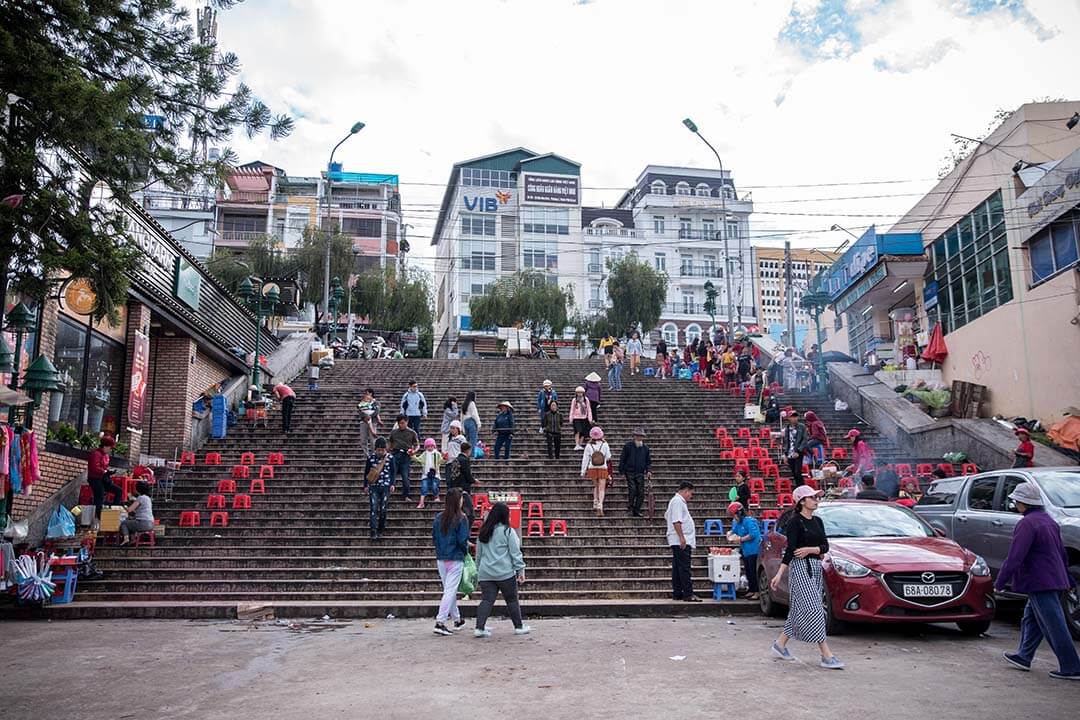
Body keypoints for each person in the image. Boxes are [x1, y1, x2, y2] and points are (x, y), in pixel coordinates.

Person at [997, 482, 1080, 680]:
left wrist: (1000, 582)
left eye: (1017, 501)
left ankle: (1071, 667)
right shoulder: (1048, 521)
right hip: (1051, 579)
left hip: (1039, 581)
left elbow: (1015, 557)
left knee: (1054, 625)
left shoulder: (1027, 524)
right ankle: (1024, 656)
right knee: (1031, 618)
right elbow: (1061, 554)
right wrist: (1067, 579)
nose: (1016, 504)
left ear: (1023, 503)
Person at [770, 485, 844, 669]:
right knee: (815, 609)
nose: (816, 500)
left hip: (815, 567)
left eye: (816, 497)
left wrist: (811, 550)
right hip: (800, 568)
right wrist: (779, 574)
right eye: (812, 497)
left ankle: (780, 645)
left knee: (799, 609)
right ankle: (826, 654)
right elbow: (790, 551)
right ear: (802, 501)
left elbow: (825, 546)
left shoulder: (817, 521)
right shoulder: (795, 522)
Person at [474, 502, 530, 637]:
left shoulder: (484, 532)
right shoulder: (508, 531)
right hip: (505, 573)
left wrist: (477, 571)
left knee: (487, 600)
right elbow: (515, 553)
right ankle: (518, 626)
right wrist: (520, 570)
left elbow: (478, 555)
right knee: (511, 600)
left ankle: (479, 628)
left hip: (486, 572)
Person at [432, 488, 470, 636]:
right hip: (455, 558)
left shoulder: (439, 517)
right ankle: (440, 621)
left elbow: (434, 537)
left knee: (449, 589)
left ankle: (457, 618)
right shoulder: (462, 518)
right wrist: (466, 550)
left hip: (442, 557)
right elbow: (462, 540)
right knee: (450, 590)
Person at [666, 481, 700, 602]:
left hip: (679, 539)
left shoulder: (678, 502)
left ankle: (678, 592)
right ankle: (687, 593)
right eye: (691, 493)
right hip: (681, 540)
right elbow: (677, 521)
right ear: (686, 491)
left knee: (678, 567)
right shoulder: (677, 502)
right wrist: (682, 537)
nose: (691, 496)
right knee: (684, 567)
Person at [727, 501, 762, 600]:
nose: (734, 518)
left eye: (735, 515)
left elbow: (753, 534)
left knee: (753, 572)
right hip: (746, 551)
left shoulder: (749, 521)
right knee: (748, 572)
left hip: (754, 550)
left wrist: (741, 539)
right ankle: (751, 589)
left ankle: (756, 592)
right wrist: (729, 534)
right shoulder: (739, 523)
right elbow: (734, 531)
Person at [363, 438, 396, 540]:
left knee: (383, 509)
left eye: (382, 450)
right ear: (375, 449)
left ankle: (381, 528)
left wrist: (392, 484)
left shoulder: (390, 458)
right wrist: (365, 485)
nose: (381, 452)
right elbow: (366, 472)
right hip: (374, 486)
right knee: (373, 508)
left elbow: (393, 472)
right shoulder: (371, 458)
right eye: (378, 450)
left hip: (385, 485)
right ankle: (373, 531)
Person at [87, 435, 124, 520]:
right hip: (95, 478)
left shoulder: (106, 456)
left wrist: (108, 471)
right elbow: (94, 468)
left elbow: (105, 467)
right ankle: (100, 517)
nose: (111, 450)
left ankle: (114, 510)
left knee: (118, 490)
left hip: (104, 478)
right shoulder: (96, 454)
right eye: (110, 448)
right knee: (99, 494)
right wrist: (104, 471)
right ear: (105, 446)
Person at [619, 428, 652, 517]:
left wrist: (648, 470)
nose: (639, 438)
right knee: (632, 490)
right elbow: (622, 459)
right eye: (637, 436)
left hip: (640, 473)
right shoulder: (628, 446)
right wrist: (621, 472)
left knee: (641, 492)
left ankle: (637, 509)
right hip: (629, 472)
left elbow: (648, 461)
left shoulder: (645, 448)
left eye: (641, 436)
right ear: (634, 436)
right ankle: (630, 508)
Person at [580, 426, 612, 517]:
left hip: (592, 468)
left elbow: (585, 459)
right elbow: (609, 456)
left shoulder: (589, 445)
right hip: (602, 468)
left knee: (596, 485)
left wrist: (583, 471)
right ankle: (600, 505)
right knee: (602, 488)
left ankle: (595, 501)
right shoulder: (605, 444)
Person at [388, 415, 420, 502]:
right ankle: (388, 493)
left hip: (406, 455)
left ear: (407, 422)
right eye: (400, 423)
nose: (401, 425)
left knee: (405, 476)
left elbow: (417, 445)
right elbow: (390, 443)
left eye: (403, 423)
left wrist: (414, 451)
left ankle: (406, 495)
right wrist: (388, 452)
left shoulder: (412, 433)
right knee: (392, 474)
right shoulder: (393, 432)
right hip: (395, 453)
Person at [119, 481, 154, 546]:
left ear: (138, 489)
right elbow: (140, 511)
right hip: (151, 523)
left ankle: (126, 539)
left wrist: (123, 505)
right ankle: (133, 539)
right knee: (131, 523)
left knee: (124, 523)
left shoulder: (140, 498)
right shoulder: (148, 498)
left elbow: (129, 510)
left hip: (143, 524)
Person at [412, 438, 444, 510]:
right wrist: (412, 455)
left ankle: (436, 496)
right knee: (424, 487)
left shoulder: (437, 454)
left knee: (434, 486)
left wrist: (444, 458)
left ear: (434, 446)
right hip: (425, 474)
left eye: (431, 446)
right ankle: (421, 502)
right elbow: (418, 459)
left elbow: (441, 461)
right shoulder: (424, 454)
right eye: (428, 446)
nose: (430, 448)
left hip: (435, 474)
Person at [782, 410, 809, 486]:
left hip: (798, 452)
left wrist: (798, 451)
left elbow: (804, 439)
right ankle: (798, 487)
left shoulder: (802, 427)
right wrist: (785, 454)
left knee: (798, 472)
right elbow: (786, 441)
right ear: (789, 418)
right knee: (794, 472)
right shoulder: (787, 428)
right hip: (790, 452)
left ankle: (802, 487)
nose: (794, 418)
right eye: (792, 416)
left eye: (795, 416)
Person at [357, 388, 381, 455]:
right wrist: (365, 416)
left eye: (367, 393)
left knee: (372, 440)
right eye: (365, 394)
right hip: (363, 422)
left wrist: (370, 416)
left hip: (373, 422)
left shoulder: (376, 402)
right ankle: (367, 455)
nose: (366, 395)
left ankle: (374, 454)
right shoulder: (363, 402)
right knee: (363, 440)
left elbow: (377, 411)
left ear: (371, 394)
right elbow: (359, 410)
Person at [569, 386, 593, 450]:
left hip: (584, 417)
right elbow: (572, 409)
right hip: (576, 418)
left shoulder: (586, 400)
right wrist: (571, 418)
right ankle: (577, 444)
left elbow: (588, 409)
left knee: (583, 432)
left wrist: (590, 418)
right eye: (578, 392)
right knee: (577, 431)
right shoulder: (574, 400)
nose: (579, 394)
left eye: (581, 392)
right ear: (576, 393)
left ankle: (580, 444)